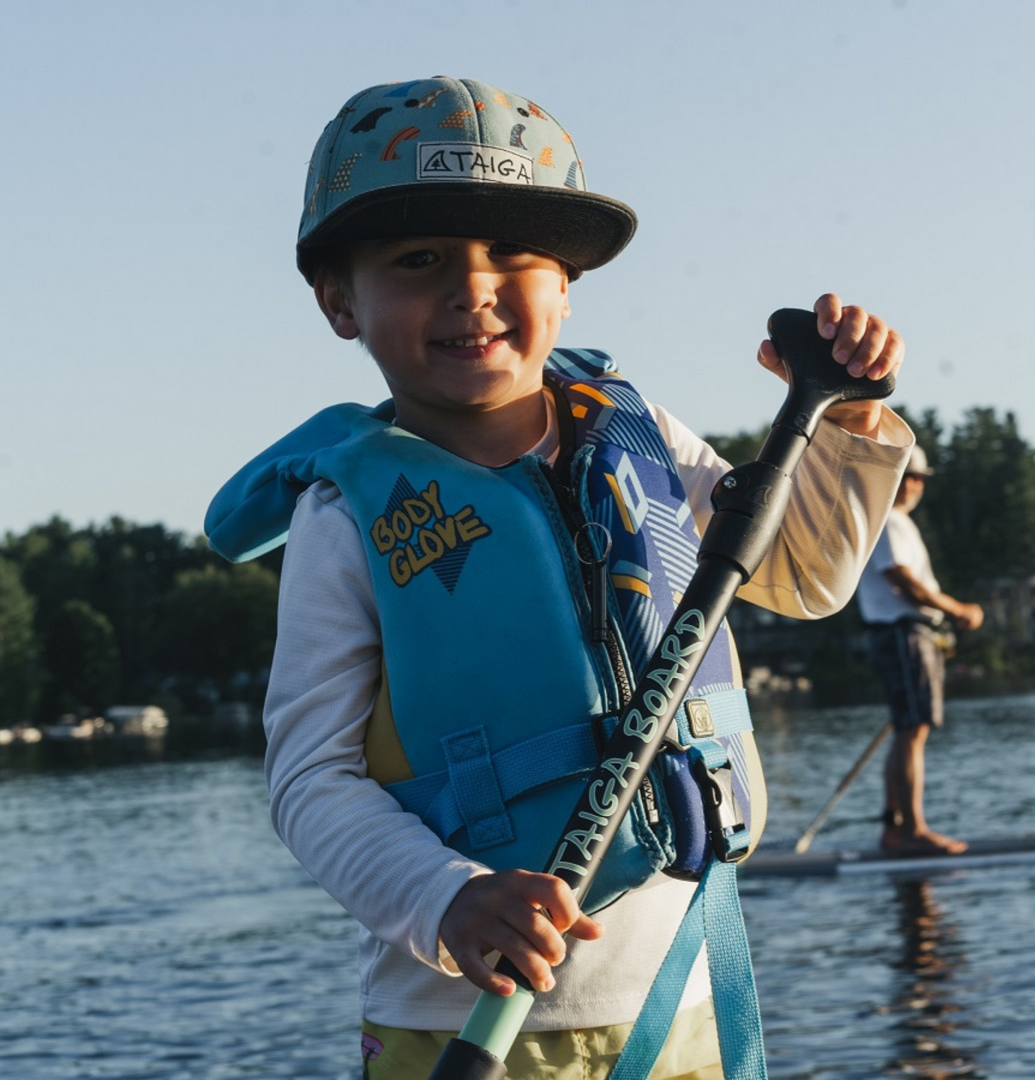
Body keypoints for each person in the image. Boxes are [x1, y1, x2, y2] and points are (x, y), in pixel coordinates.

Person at [206, 76, 912, 1079]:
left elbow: (805, 574)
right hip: (466, 1023)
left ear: (568, 286)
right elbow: (312, 782)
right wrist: (447, 898)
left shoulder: (640, 436)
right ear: (337, 300)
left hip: (683, 993)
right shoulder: (343, 515)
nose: (472, 288)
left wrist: (848, 426)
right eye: (418, 260)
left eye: (516, 255)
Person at [856, 444, 984, 856]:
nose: (915, 484)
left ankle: (897, 831)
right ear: (891, 478)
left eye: (920, 478)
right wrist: (959, 609)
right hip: (902, 634)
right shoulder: (889, 521)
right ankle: (910, 831)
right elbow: (903, 581)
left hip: (906, 635)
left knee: (910, 731)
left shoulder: (896, 523)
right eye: (908, 475)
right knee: (912, 733)